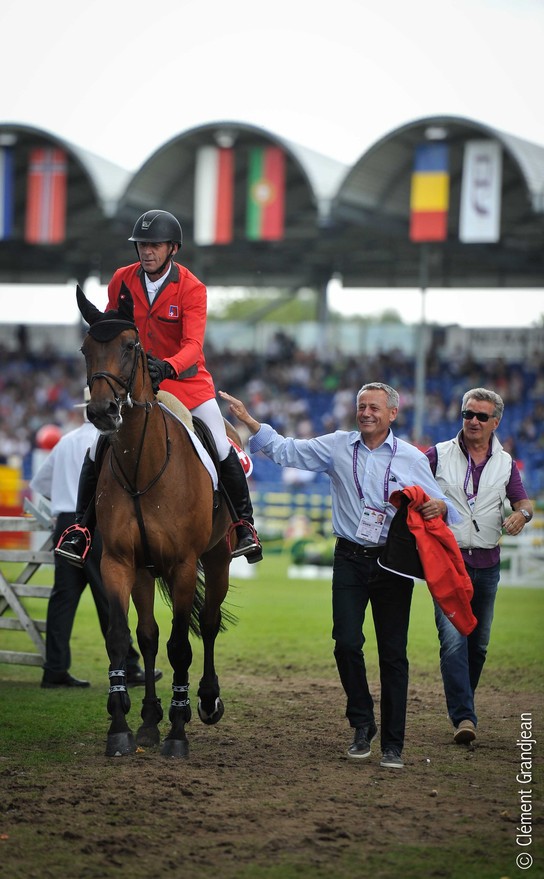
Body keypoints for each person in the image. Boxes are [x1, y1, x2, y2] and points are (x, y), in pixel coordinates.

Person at [219, 383, 460, 769]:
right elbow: (286, 450)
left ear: (392, 414)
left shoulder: (412, 458)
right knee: (346, 643)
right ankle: (362, 724)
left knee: (393, 654)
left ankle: (393, 744)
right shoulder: (337, 445)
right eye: (361, 406)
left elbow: (446, 505)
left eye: (374, 407)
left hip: (392, 563)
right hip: (348, 556)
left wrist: (439, 507)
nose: (366, 412)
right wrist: (249, 421)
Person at [57, 210, 261, 565]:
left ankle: (244, 526)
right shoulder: (122, 279)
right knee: (96, 448)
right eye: (142, 245)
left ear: (172, 248)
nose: (147, 251)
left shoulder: (192, 287)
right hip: (135, 387)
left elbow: (194, 345)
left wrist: (167, 366)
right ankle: (80, 529)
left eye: (155, 245)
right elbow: (112, 328)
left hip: (186, 384)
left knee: (219, 443)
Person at [425, 387, 533, 745]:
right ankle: (464, 716)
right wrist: (431, 506)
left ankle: (462, 703)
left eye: (480, 416)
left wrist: (523, 514)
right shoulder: (438, 454)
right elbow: (412, 488)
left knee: (479, 645)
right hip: (447, 562)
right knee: (453, 642)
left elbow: (523, 501)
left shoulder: (505, 462)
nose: (472, 421)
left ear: (495, 422)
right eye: (467, 414)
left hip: (487, 563)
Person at [31, 396, 162, 689]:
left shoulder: (65, 441)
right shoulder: (109, 440)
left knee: (62, 598)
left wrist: (64, 505)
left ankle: (54, 668)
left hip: (66, 524)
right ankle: (128, 666)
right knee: (110, 597)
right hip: (98, 524)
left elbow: (39, 485)